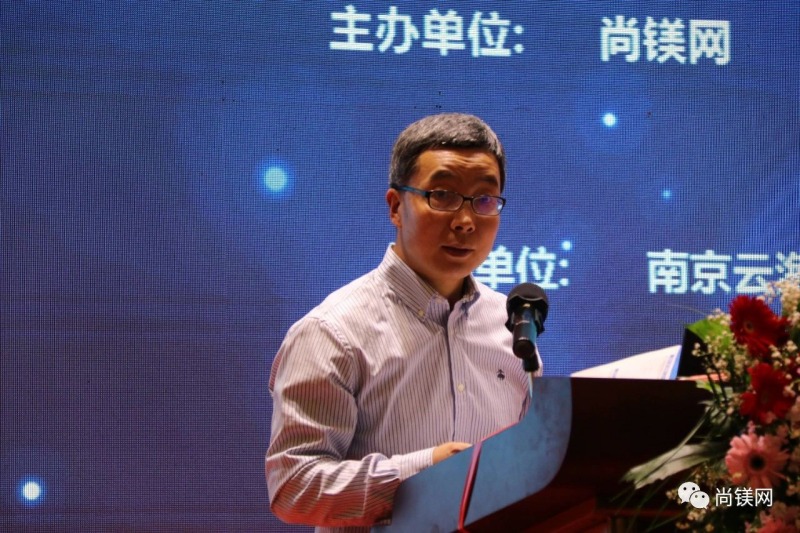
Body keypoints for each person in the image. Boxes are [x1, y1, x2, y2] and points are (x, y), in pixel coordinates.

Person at [265, 113, 541, 533]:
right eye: (443, 195)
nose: (466, 220)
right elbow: (294, 486)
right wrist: (424, 472)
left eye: (485, 199)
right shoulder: (333, 331)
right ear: (396, 206)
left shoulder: (512, 326)